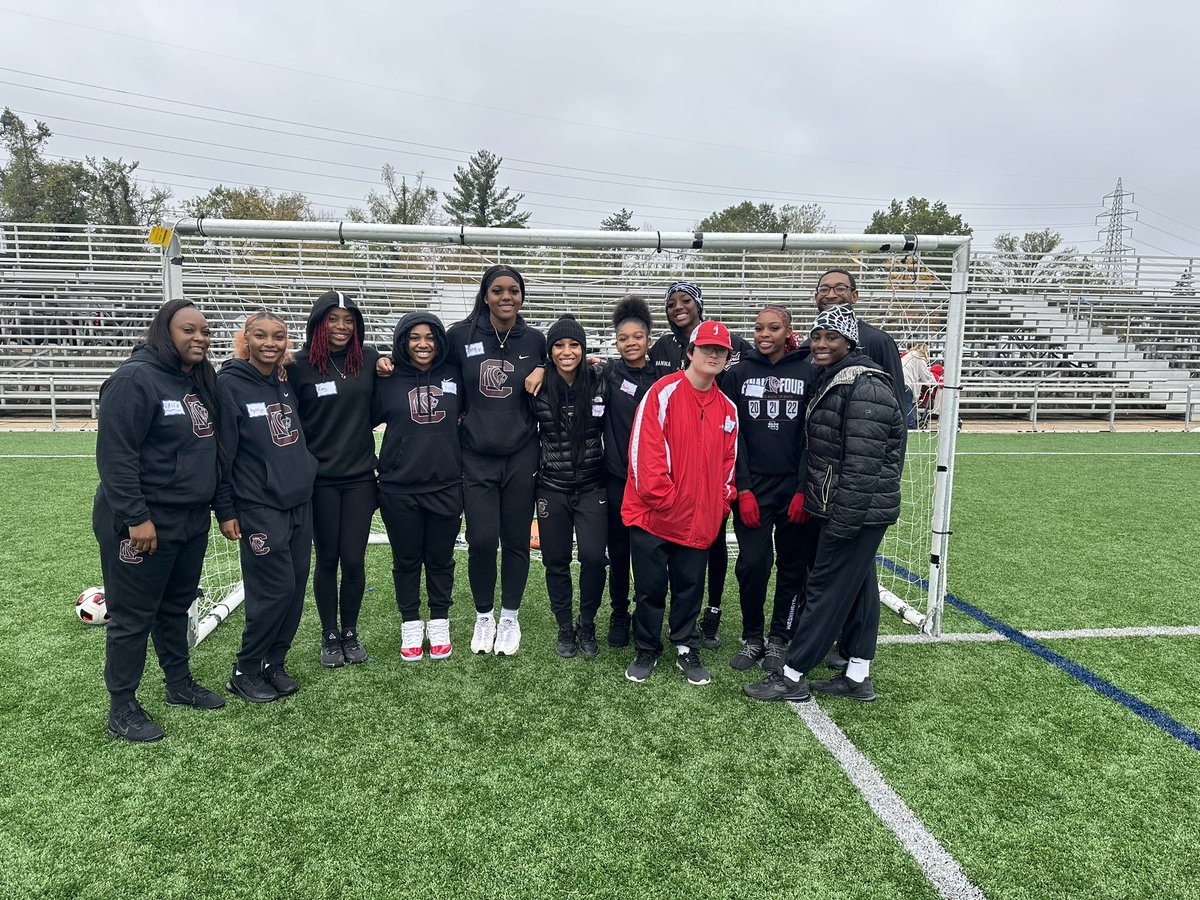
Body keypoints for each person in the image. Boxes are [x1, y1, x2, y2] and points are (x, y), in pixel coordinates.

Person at [744, 305, 904, 704]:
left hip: (853, 512)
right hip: (850, 508)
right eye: (817, 336)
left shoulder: (864, 385)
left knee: (824, 590)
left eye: (831, 337)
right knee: (863, 591)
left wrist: (842, 524)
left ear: (849, 341)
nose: (821, 344)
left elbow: (863, 467)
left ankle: (792, 675)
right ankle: (857, 675)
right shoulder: (835, 378)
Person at [94, 299, 225, 742]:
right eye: (189, 330)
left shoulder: (197, 380)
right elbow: (116, 456)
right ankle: (122, 706)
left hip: (190, 519)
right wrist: (136, 518)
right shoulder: (135, 379)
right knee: (133, 616)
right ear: (164, 332)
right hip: (144, 522)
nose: (200, 338)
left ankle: (178, 683)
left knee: (176, 606)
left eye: (205, 331)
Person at [623, 321, 739, 686]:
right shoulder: (662, 392)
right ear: (690, 352)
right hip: (655, 516)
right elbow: (645, 454)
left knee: (690, 587)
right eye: (706, 348)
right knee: (651, 587)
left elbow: (728, 467)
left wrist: (718, 504)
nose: (713, 355)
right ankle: (646, 647)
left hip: (699, 519)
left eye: (720, 351)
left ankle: (686, 645)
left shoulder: (728, 409)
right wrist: (669, 501)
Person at [215, 311, 318, 704]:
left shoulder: (283, 380)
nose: (270, 343)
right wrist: (225, 508)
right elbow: (222, 452)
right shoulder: (228, 384)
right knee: (272, 590)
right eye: (261, 336)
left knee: (293, 587)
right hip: (258, 505)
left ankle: (275, 662)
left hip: (297, 501)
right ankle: (245, 669)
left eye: (278, 336)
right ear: (246, 339)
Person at [809, 268, 908, 673]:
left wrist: (877, 483)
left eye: (839, 288)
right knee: (862, 576)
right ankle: (855, 659)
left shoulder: (878, 343)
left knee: (848, 574)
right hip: (831, 487)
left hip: (856, 491)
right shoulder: (818, 344)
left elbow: (890, 416)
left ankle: (846, 650)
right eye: (824, 289)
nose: (831, 294)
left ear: (855, 294)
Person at [447, 265, 546, 657]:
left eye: (514, 291)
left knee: (517, 541)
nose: (507, 297)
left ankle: (510, 616)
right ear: (485, 295)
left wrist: (545, 365)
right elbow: (431, 370)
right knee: (482, 540)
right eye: (498, 290)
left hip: (522, 454)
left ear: (522, 296)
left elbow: (563, 361)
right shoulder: (460, 335)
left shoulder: (535, 339)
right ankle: (484, 614)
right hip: (476, 456)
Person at [648, 281, 752, 650]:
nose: (679, 307)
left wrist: (723, 496)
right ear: (691, 352)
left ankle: (706, 617)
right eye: (672, 302)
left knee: (708, 556)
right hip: (666, 490)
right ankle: (646, 638)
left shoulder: (731, 360)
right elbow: (651, 426)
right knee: (655, 574)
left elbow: (729, 456)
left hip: (708, 482)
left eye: (686, 301)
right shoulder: (663, 366)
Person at [721, 305, 818, 673]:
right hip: (753, 489)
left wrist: (801, 489)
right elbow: (734, 436)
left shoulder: (809, 371)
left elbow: (814, 435)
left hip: (793, 489)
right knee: (753, 564)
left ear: (788, 330)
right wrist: (743, 489)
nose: (764, 334)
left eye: (773, 328)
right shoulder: (740, 373)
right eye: (759, 328)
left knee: (792, 567)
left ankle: (780, 638)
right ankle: (752, 637)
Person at [286, 290, 380, 668]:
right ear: (318, 322)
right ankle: (328, 634)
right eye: (333, 319)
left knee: (354, 559)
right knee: (327, 558)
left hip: (360, 477)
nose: (341, 327)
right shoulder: (296, 366)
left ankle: (351, 632)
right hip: (320, 480)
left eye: (349, 320)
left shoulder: (370, 360)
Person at [373, 312, 463, 661]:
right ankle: (411, 621)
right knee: (406, 559)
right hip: (399, 486)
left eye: (429, 337)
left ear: (439, 341)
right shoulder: (387, 377)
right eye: (414, 337)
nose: (423, 344)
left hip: (445, 484)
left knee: (441, 559)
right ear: (402, 342)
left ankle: (439, 619)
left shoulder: (454, 374)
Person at [532, 314, 609, 658]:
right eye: (559, 345)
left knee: (594, 558)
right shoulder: (535, 384)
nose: (567, 351)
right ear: (549, 351)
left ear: (584, 348)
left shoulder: (600, 379)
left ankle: (587, 622)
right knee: (556, 560)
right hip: (552, 487)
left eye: (574, 344)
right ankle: (565, 626)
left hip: (593, 485)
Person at [598, 295, 658, 648]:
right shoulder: (607, 372)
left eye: (637, 337)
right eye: (623, 338)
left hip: (655, 483)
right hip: (618, 480)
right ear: (616, 342)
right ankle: (620, 613)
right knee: (619, 553)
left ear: (648, 339)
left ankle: (648, 614)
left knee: (650, 555)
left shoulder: (665, 376)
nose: (631, 343)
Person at [900, 343, 935, 428]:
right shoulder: (919, 358)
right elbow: (925, 375)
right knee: (908, 405)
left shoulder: (909, 355)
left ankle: (911, 422)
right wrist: (934, 382)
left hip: (901, 382)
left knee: (907, 404)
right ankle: (910, 424)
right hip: (906, 383)